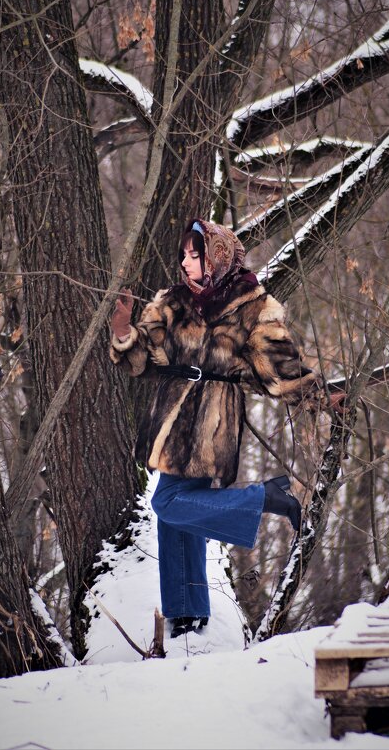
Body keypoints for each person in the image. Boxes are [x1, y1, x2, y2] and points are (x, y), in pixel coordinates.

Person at [110, 218, 340, 639]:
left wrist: (321, 398)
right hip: (172, 417)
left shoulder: (252, 306)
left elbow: (280, 367)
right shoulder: (173, 302)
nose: (185, 263)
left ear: (216, 256)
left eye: (193, 255)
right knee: (175, 517)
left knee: (167, 504)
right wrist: (124, 330)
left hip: (213, 421)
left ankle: (264, 497)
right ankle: (187, 612)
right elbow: (140, 360)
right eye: (183, 255)